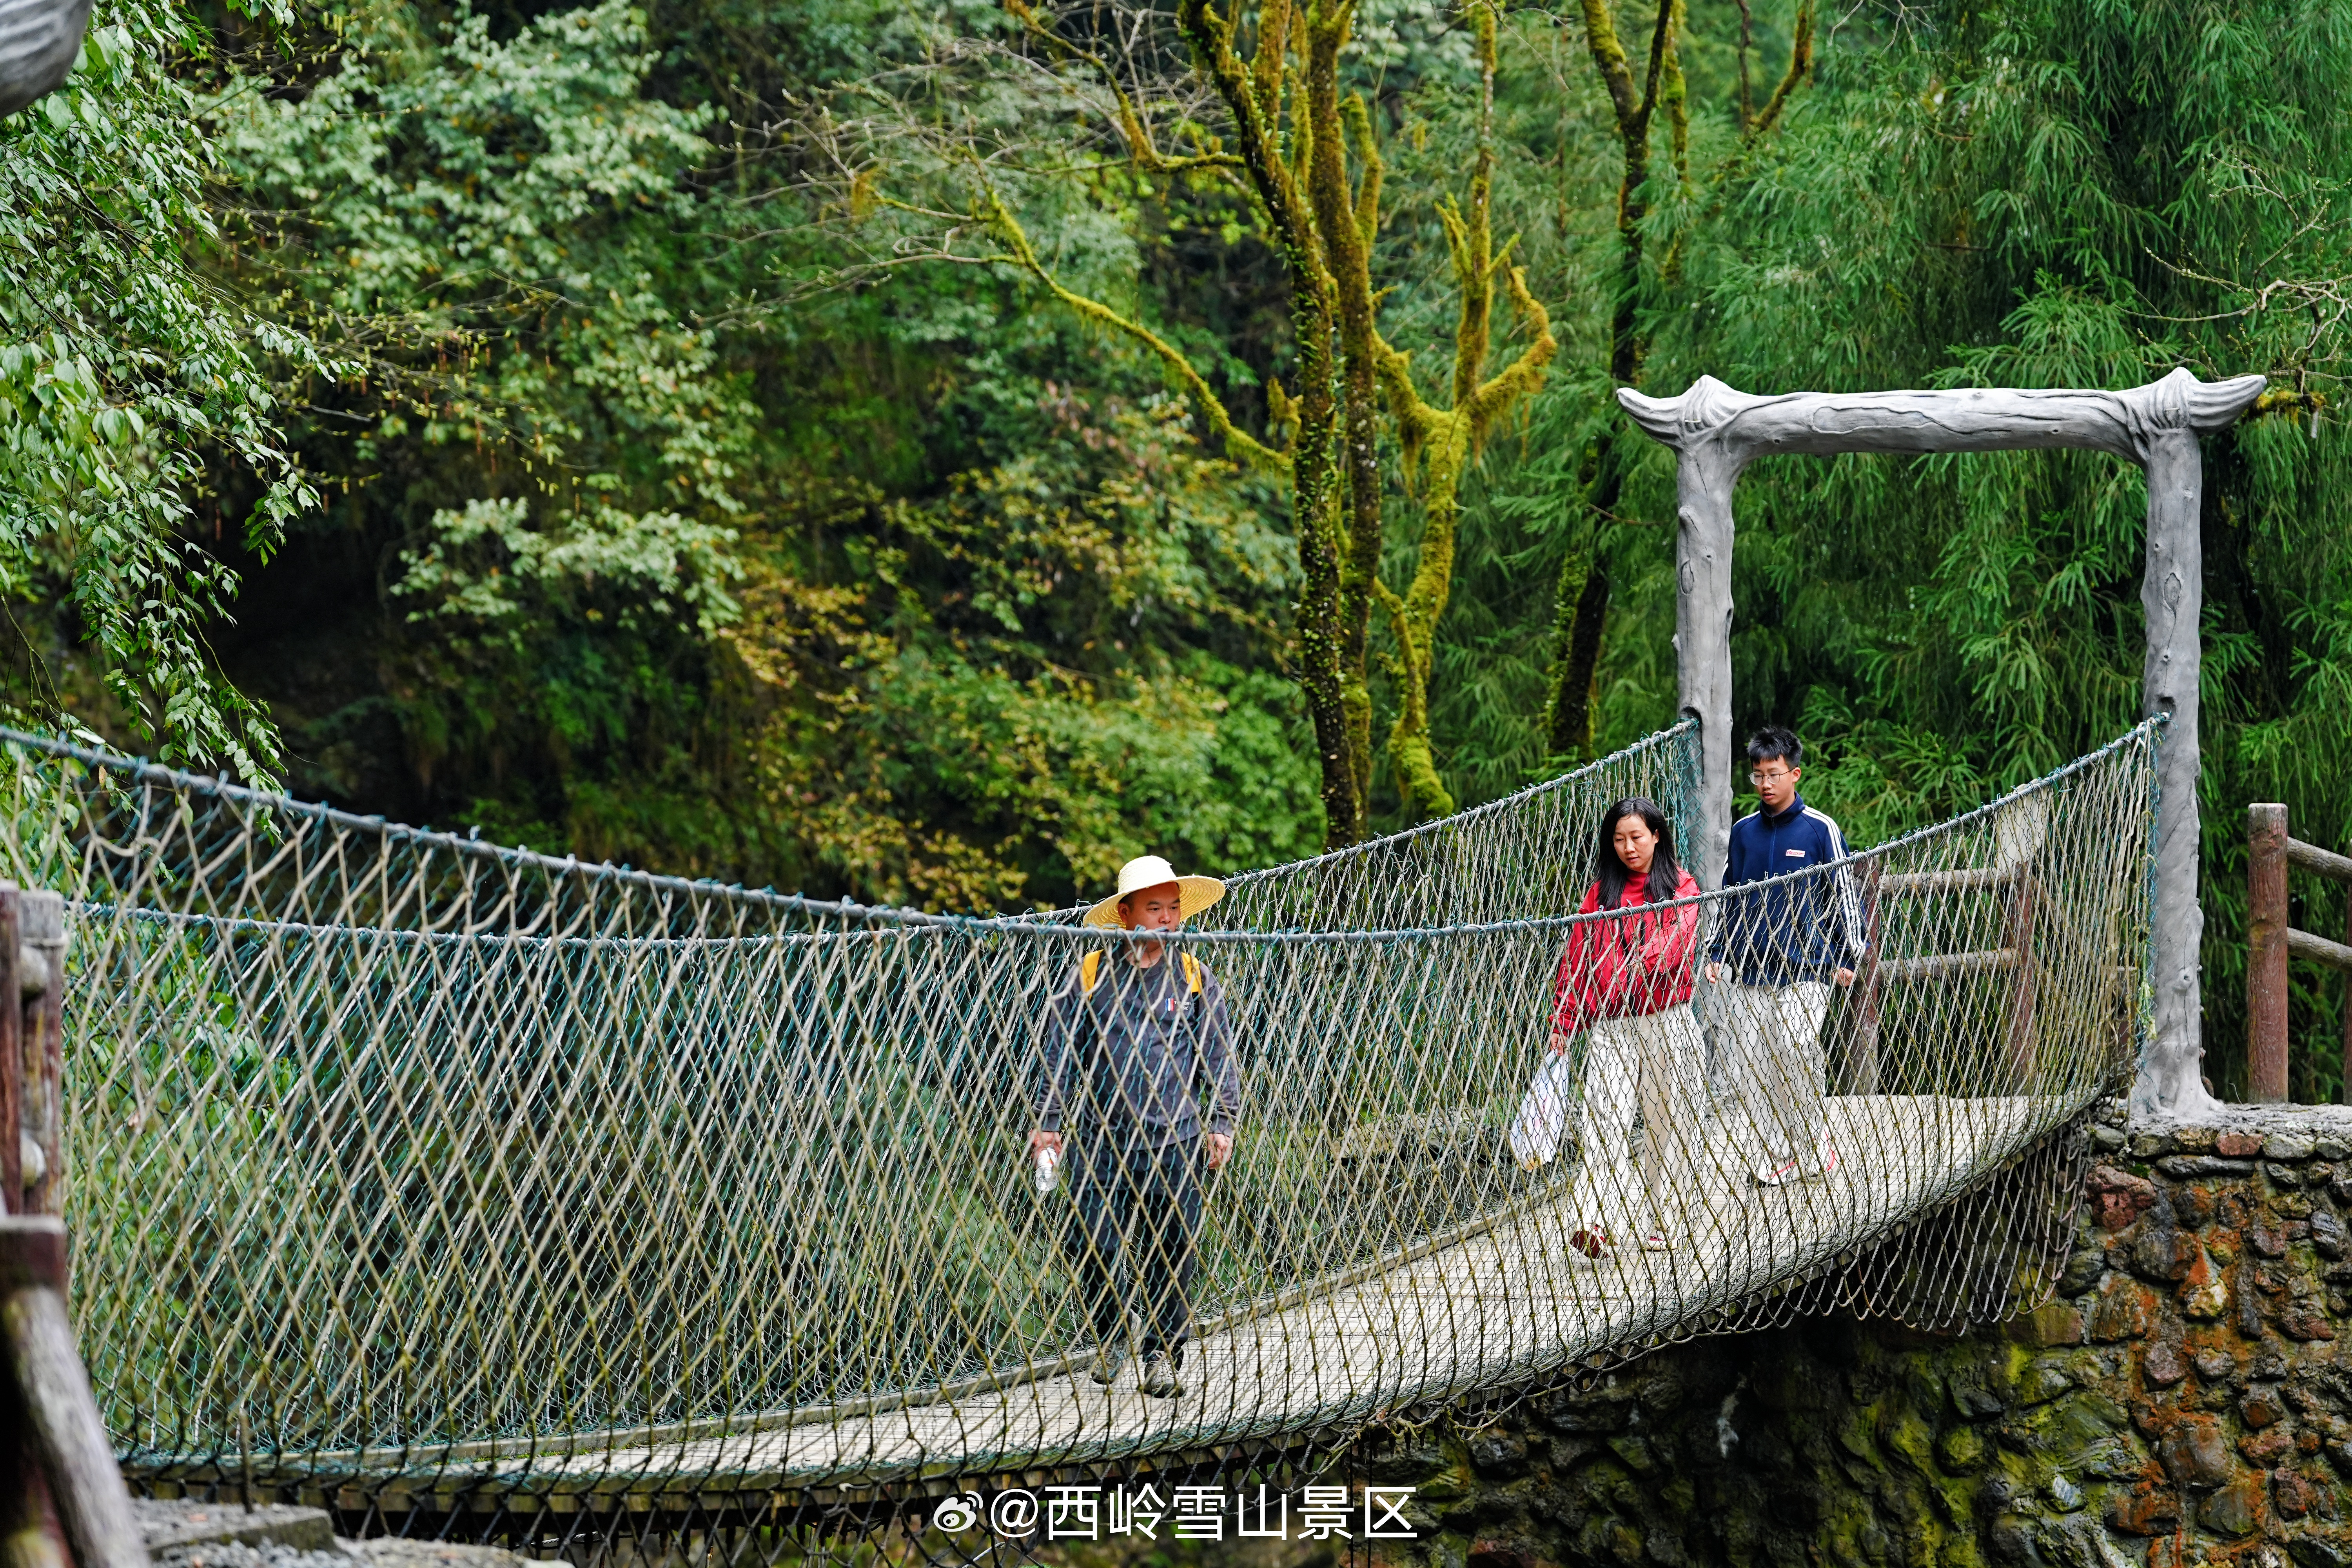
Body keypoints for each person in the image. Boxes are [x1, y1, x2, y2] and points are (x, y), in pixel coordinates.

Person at [1030, 855, 1241, 1400]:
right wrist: (1049, 1122)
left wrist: (1222, 1122)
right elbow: (1059, 1051)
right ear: (1125, 914)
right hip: (1103, 1139)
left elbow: (1219, 1054)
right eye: (1155, 908)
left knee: (1173, 1248)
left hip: (1177, 1138)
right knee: (1094, 1242)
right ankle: (1112, 1331)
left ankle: (1162, 1356)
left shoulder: (1193, 976)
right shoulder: (1091, 973)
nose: (1168, 919)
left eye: (1174, 908)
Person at [1705, 726, 1866, 1187]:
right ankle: (1779, 1153)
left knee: (1796, 1053)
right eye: (1758, 775)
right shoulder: (1743, 832)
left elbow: (1844, 894)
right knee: (1754, 1065)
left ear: (1794, 773)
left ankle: (1812, 1144)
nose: (1766, 784)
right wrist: (1717, 951)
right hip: (1752, 971)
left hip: (1808, 969)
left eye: (1774, 774)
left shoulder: (1820, 829)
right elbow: (1730, 895)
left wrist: (1849, 955)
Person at [1548, 797, 1702, 1255]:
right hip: (1612, 1026)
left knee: (1667, 1124)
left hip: (1665, 1020)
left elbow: (1677, 941)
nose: (1629, 847)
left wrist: (1632, 967)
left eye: (1637, 837)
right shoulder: (1599, 896)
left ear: (1657, 835)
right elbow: (1577, 958)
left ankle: (1667, 1219)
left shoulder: (1682, 886)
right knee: (1604, 1119)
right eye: (1619, 839)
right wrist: (1564, 1020)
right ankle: (1596, 1221)